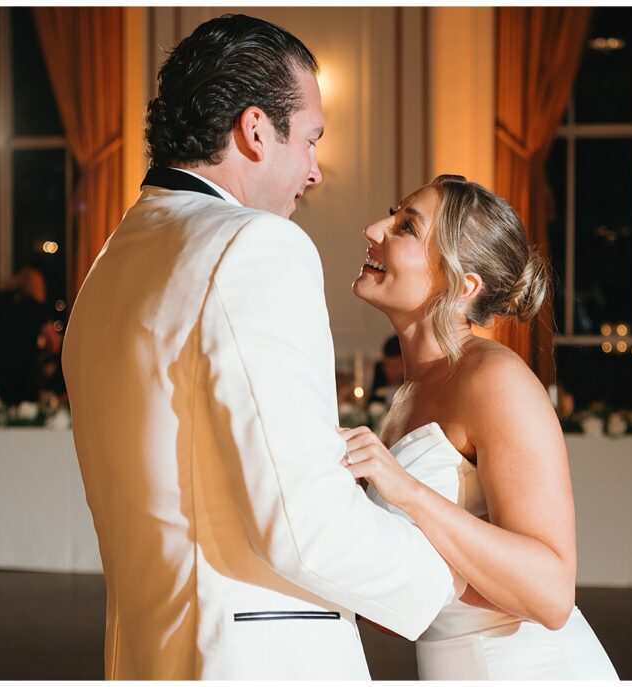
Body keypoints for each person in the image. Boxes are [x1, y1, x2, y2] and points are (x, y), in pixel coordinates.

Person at [61, 15, 462, 681]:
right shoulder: (255, 245)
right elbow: (303, 521)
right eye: (310, 140)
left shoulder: (109, 264)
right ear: (254, 130)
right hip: (257, 659)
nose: (314, 170)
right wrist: (448, 577)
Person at [340, 174, 618, 679]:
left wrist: (408, 492)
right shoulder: (410, 392)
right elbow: (412, 598)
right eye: (393, 215)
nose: (373, 229)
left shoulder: (494, 378)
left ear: (462, 286)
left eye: (406, 227)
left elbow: (552, 594)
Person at [0, 267, 61, 406]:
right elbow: (54, 341)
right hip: (27, 371)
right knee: (27, 411)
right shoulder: (35, 306)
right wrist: (48, 359)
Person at [366, 334, 405, 407]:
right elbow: (372, 403)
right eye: (386, 366)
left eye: (395, 367)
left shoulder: (416, 382)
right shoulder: (378, 370)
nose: (389, 372)